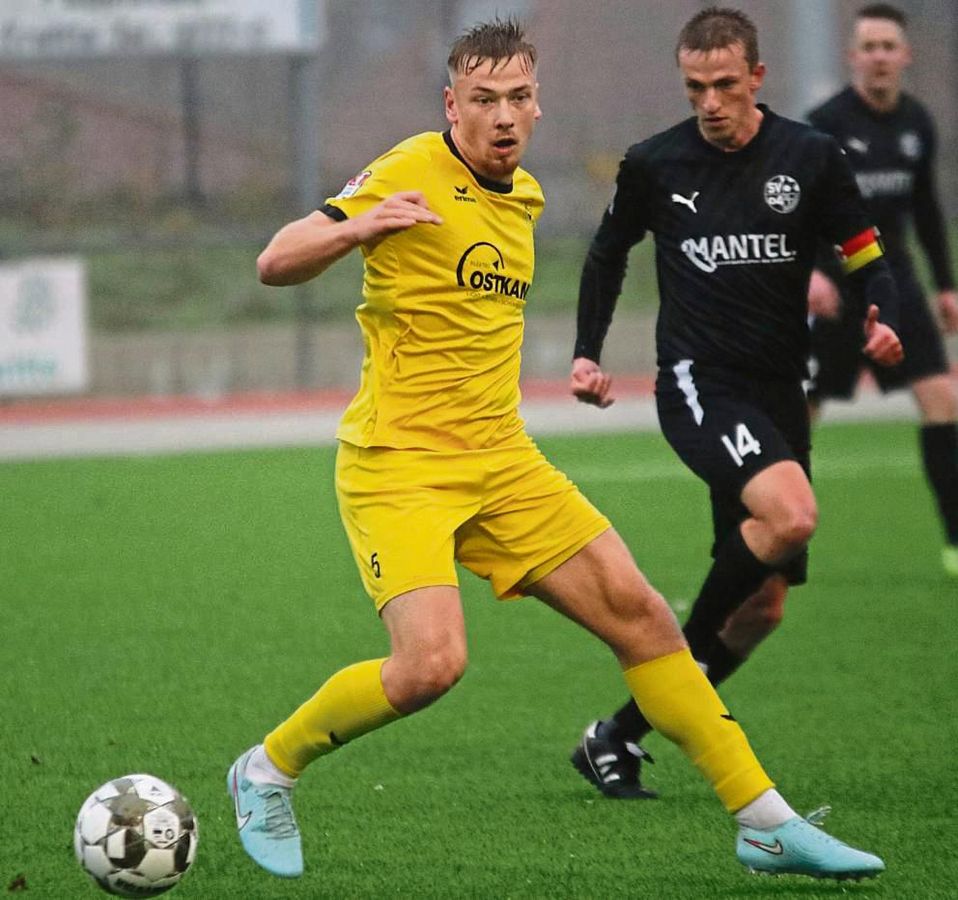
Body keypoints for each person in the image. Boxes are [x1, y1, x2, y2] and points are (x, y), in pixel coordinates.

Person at [226, 17, 886, 884]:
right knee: (431, 667)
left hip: (502, 462)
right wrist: (357, 227)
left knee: (644, 617)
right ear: (451, 104)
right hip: (399, 465)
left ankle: (765, 822)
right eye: (485, 100)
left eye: (519, 98)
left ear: (538, 104)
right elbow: (276, 260)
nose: (504, 117)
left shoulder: (527, 197)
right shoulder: (410, 166)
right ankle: (266, 770)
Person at [568, 6, 904, 806]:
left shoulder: (811, 156)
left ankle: (616, 735)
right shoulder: (655, 163)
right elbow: (607, 254)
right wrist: (587, 352)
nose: (709, 102)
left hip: (779, 390)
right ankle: (663, 662)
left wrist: (880, 310)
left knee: (763, 610)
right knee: (791, 514)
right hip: (698, 383)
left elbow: (865, 251)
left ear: (757, 77)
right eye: (695, 88)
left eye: (724, 84)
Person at [807, 2, 958, 578]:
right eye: (868, 47)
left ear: (905, 56)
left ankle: (954, 540)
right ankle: (779, 534)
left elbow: (925, 209)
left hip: (895, 283)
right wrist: (813, 273)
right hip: (834, 286)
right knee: (801, 414)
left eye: (888, 47)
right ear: (853, 57)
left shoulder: (918, 123)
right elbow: (801, 210)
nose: (878, 57)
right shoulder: (823, 124)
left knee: (942, 403)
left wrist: (945, 285)